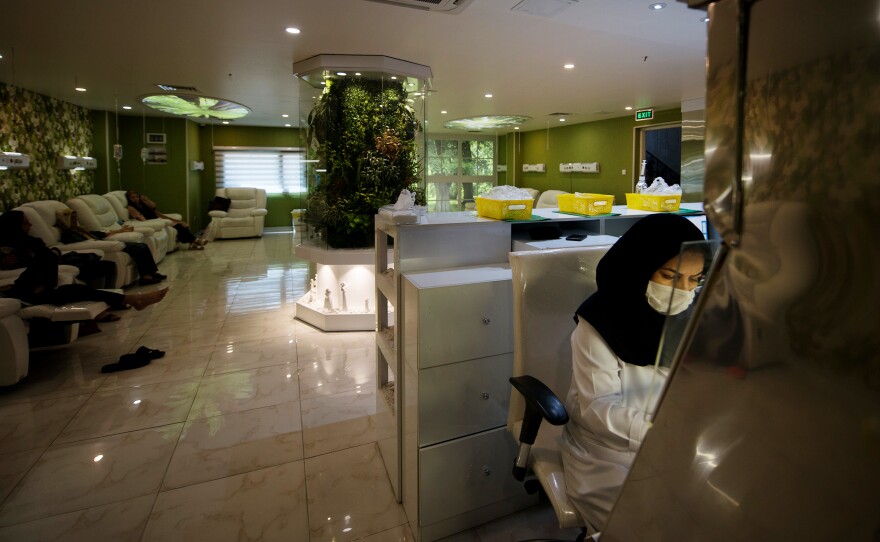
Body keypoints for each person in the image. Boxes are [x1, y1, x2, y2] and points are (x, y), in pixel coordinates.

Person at [560, 213, 707, 532]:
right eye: (671, 276)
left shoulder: (692, 316)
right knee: (649, 526)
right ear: (641, 267)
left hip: (677, 440)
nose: (684, 291)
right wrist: (662, 433)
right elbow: (599, 409)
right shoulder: (600, 322)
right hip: (608, 450)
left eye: (694, 279)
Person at [0, 211, 168, 311]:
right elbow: (12, 263)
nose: (30, 226)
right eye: (25, 224)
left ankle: (131, 300)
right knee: (49, 260)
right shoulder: (5, 246)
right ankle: (132, 300)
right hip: (20, 293)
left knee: (74, 288)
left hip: (27, 288)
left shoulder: (28, 242)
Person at [55, 208, 166, 286]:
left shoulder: (81, 229)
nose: (75, 221)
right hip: (103, 246)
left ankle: (151, 272)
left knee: (142, 245)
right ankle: (145, 277)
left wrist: (121, 230)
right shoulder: (68, 233)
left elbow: (100, 234)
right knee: (138, 248)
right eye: (72, 219)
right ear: (66, 220)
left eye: (76, 218)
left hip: (104, 242)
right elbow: (82, 243)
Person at [125, 190, 205, 250]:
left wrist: (146, 199)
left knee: (181, 224)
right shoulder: (130, 207)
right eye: (133, 198)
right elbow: (141, 218)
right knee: (179, 226)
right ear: (129, 199)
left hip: (157, 218)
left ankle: (193, 243)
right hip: (152, 222)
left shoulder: (143, 203)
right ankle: (195, 241)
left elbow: (153, 206)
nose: (135, 199)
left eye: (137, 196)